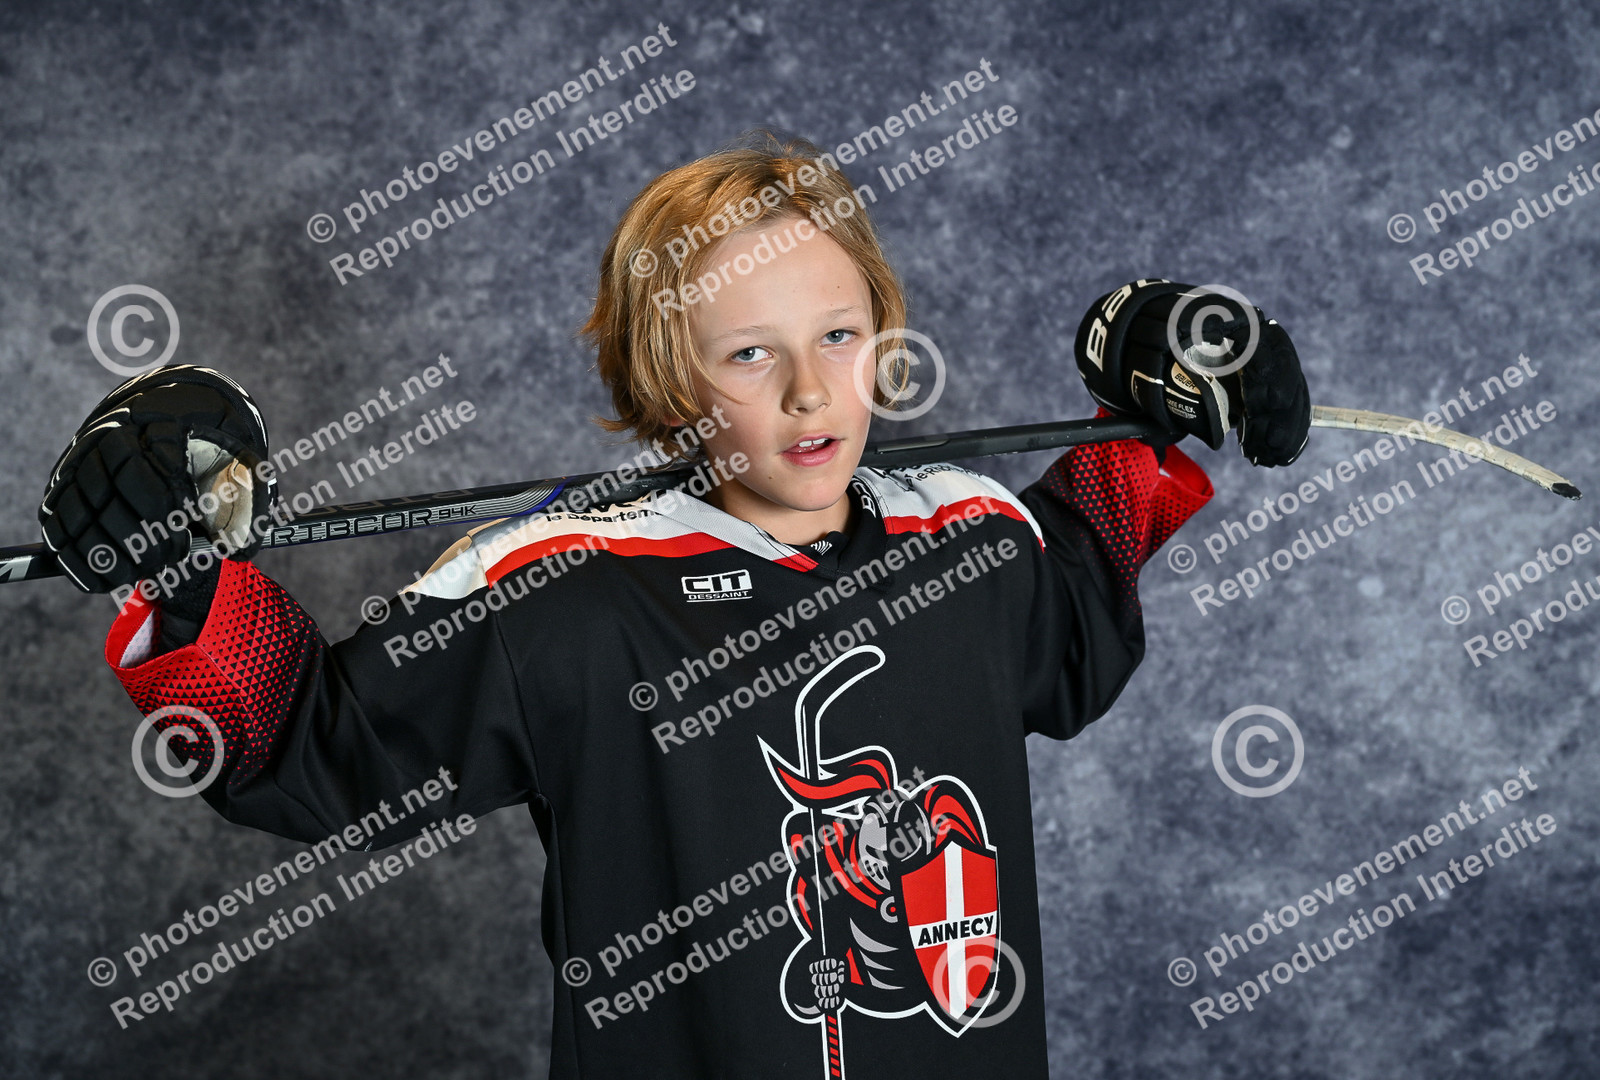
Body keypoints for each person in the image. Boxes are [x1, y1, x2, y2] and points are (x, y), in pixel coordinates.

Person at [40, 131, 1309, 1078]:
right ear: (666, 378)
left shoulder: (968, 538)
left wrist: (1147, 402)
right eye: (749, 353)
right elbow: (311, 746)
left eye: (838, 336)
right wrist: (180, 568)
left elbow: (1077, 616)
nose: (809, 392)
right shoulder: (559, 585)